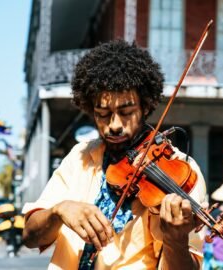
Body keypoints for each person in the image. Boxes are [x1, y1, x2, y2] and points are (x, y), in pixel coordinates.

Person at [22, 40, 208, 270]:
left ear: (146, 107)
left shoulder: (181, 169)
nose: (114, 125)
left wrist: (176, 241)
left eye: (126, 112)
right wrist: (59, 210)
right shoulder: (79, 156)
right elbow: (30, 236)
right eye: (102, 114)